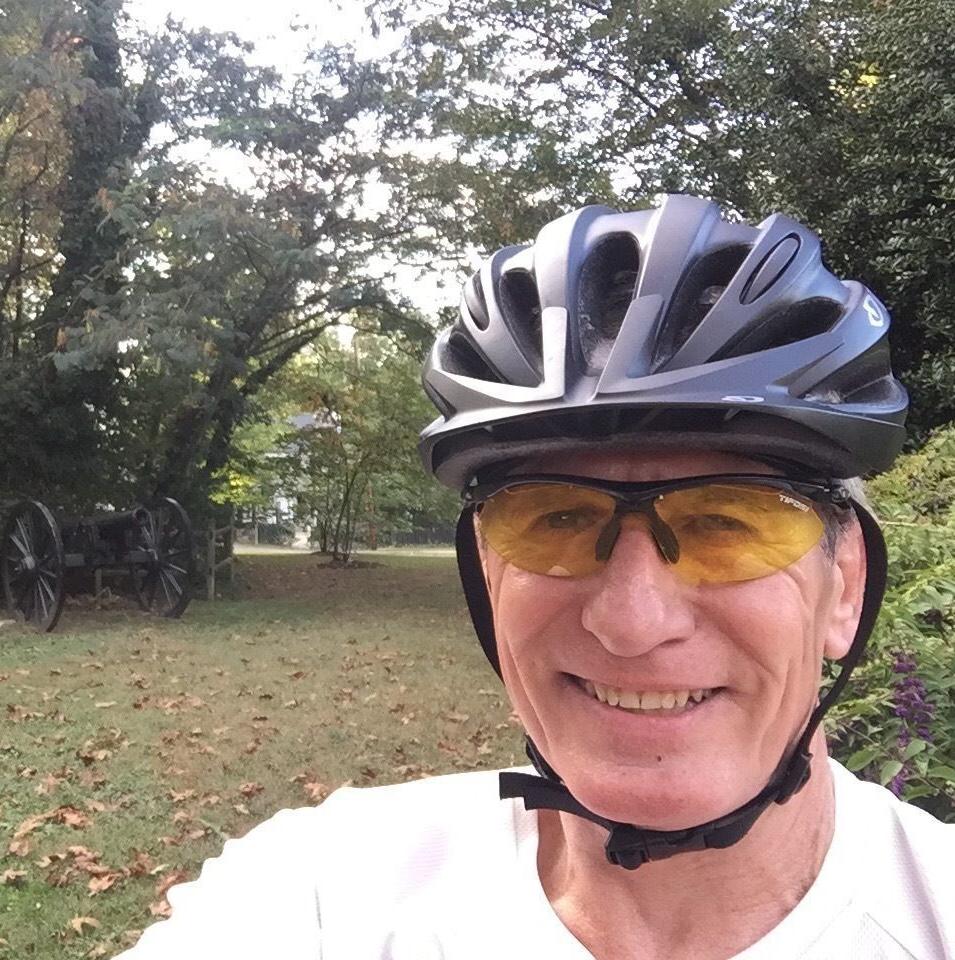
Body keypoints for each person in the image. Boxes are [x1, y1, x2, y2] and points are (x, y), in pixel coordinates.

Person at [116, 195, 953, 958]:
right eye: (555, 519)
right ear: (488, 572)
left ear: (844, 586)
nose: (631, 622)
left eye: (726, 525)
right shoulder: (320, 900)